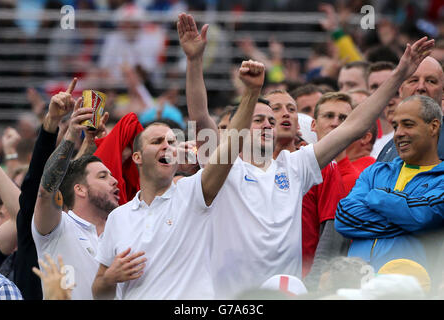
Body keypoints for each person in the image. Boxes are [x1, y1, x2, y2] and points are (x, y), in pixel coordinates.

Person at [178, 12, 435, 298]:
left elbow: (353, 125)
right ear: (238, 129)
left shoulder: (294, 166)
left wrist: (400, 75)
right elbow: (200, 116)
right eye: (258, 118)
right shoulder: (223, 170)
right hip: (233, 299)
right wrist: (194, 61)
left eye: (271, 120)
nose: (267, 124)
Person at [91, 57, 267, 299]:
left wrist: (251, 93)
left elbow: (228, 150)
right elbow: (98, 292)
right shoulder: (118, 218)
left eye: (172, 142)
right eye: (157, 141)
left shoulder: (194, 192)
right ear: (138, 158)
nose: (167, 146)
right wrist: (111, 277)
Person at [335, 95, 444, 285]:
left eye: (408, 125)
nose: (398, 133)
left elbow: (424, 214)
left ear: (433, 127)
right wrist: (408, 225)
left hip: (411, 291)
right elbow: (344, 217)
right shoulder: (376, 171)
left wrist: (376, 195)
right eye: (395, 126)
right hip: (356, 288)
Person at [32, 79, 120, 300]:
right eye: (103, 176)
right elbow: (47, 189)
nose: (115, 181)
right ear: (79, 189)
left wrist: (90, 145)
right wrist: (71, 133)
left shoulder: (122, 231)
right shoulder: (58, 227)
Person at [14, 80, 77, 300]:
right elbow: (41, 177)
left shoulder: (80, 218)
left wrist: (86, 141)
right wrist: (52, 122)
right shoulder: (35, 208)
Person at [377, 56, 444, 162]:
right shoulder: (388, 149)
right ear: (400, 90)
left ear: (443, 91)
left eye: (430, 81)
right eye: (413, 80)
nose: (421, 87)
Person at [366, 61, 400, 158]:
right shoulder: (359, 136)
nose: (382, 91)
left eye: (387, 84)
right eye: (375, 87)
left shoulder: (406, 135)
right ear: (367, 91)